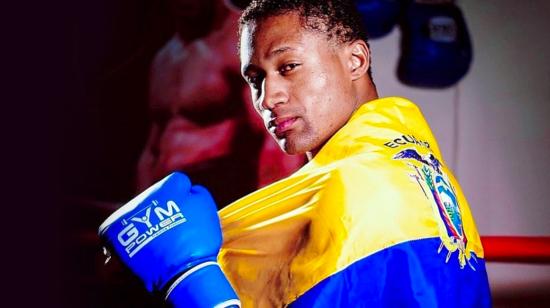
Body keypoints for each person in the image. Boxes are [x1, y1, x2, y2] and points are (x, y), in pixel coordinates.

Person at [99, 0, 491, 307]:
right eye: (255, 79)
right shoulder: (411, 165)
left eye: (288, 67)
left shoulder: (358, 189)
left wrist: (192, 284)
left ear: (355, 60)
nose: (268, 98)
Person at [138, 0, 305, 207]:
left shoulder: (250, 38)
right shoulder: (164, 58)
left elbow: (277, 136)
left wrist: (270, 210)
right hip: (171, 205)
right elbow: (153, 148)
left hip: (225, 196)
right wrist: (142, 208)